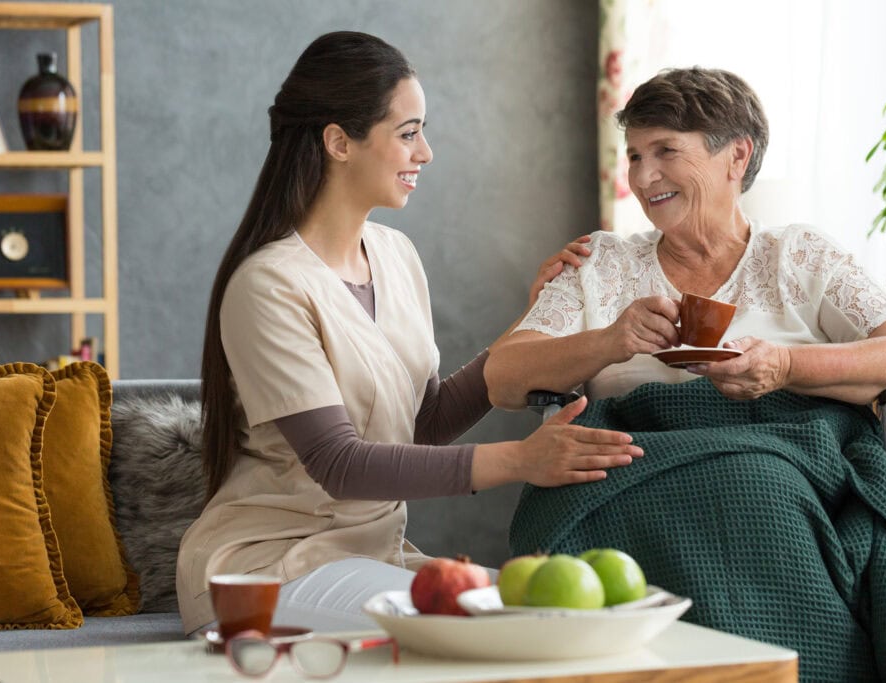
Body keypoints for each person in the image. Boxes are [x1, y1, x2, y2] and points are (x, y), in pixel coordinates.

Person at [486, 68, 886, 680]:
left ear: (736, 156)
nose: (643, 177)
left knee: (759, 486)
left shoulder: (799, 255)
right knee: (738, 489)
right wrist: (608, 341)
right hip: (632, 468)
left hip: (783, 462)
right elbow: (503, 376)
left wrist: (784, 366)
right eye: (635, 156)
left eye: (665, 151)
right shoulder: (602, 263)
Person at [175, 31, 642, 636]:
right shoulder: (268, 285)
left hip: (374, 558)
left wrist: (530, 325)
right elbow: (339, 464)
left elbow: (422, 423)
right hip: (269, 571)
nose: (426, 152)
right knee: (505, 626)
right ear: (339, 142)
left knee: (549, 613)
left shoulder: (396, 256)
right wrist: (522, 460)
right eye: (408, 133)